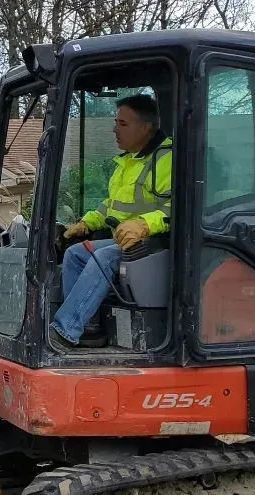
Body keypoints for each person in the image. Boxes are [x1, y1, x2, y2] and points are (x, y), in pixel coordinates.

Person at [50, 93, 172, 348]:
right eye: (116, 122)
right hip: (126, 242)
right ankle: (90, 329)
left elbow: (181, 205)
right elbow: (112, 206)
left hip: (157, 242)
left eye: (123, 124)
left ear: (146, 126)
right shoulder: (128, 161)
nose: (114, 130)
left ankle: (65, 330)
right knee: (75, 254)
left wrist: (145, 224)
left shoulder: (166, 159)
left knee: (103, 257)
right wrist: (87, 223)